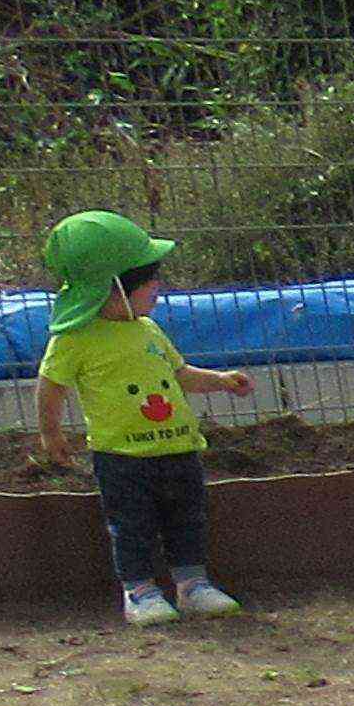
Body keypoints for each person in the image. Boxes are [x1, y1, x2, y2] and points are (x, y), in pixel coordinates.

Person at [26, 210, 254, 629]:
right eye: (147, 279)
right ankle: (139, 590)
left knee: (187, 518)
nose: (157, 286)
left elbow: (179, 374)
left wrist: (220, 381)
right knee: (132, 525)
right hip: (122, 456)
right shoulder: (74, 340)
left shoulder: (148, 329)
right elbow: (51, 384)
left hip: (179, 447)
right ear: (113, 287)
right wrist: (50, 432)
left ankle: (192, 585)